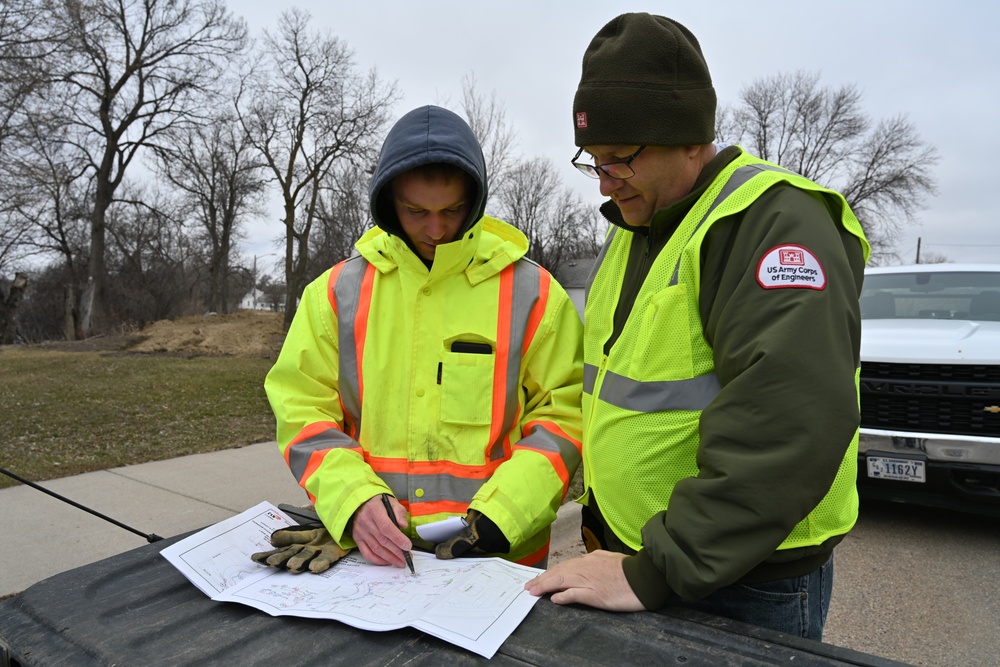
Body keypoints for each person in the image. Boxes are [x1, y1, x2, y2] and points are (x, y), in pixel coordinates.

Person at [525, 13, 870, 641]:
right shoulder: (634, 230)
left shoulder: (772, 224)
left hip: (740, 582)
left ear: (689, 137)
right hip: (644, 559)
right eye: (592, 161)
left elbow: (788, 421)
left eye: (621, 160)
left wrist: (656, 569)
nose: (603, 183)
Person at [255, 105, 584, 574]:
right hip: (373, 559)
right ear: (388, 202)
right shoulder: (335, 294)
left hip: (499, 563)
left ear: (475, 199)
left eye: (452, 211)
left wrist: (505, 513)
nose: (436, 229)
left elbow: (565, 414)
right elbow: (301, 407)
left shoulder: (532, 294)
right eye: (416, 211)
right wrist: (356, 500)